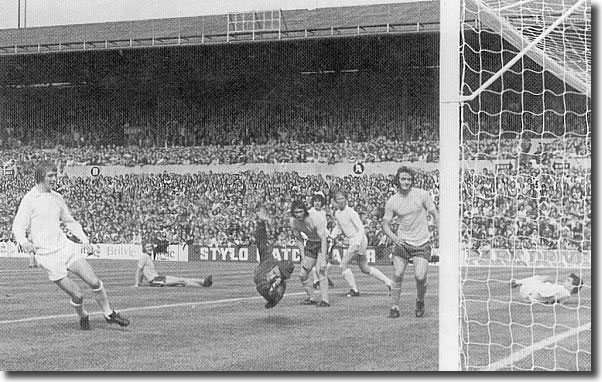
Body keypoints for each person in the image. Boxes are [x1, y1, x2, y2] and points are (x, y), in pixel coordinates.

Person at [12, 161, 130, 330]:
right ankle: (83, 315)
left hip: (65, 248)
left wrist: (85, 241)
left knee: (94, 281)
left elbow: (69, 221)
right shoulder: (29, 199)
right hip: (47, 256)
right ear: (40, 177)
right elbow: (18, 226)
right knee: (78, 295)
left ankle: (109, 313)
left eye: (55, 175)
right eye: (50, 176)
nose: (54, 179)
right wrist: (24, 242)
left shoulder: (57, 197)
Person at [382, 166, 439, 318]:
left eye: (409, 179)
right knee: (397, 273)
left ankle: (420, 301)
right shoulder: (392, 201)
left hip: (421, 243)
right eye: (403, 179)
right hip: (403, 243)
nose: (406, 182)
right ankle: (394, 307)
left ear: (412, 181)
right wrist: (394, 238)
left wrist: (439, 230)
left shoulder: (422, 194)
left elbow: (434, 212)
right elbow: (385, 224)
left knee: (420, 277)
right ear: (398, 180)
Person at [330, 191, 393, 297]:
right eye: (338, 199)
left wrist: (357, 243)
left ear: (346, 200)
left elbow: (361, 228)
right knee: (364, 268)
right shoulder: (337, 213)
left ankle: (354, 290)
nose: (340, 201)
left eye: (342, 198)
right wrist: (331, 237)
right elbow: (338, 227)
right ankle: (389, 282)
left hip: (358, 240)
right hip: (356, 241)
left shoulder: (351, 212)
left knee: (343, 265)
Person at [290, 200, 330, 307]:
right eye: (296, 212)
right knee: (303, 274)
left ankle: (325, 300)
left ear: (305, 211)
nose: (298, 215)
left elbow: (323, 239)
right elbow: (298, 239)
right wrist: (303, 258)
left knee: (320, 270)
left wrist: (323, 258)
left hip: (323, 242)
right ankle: (312, 298)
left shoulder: (315, 219)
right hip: (311, 243)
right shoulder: (294, 222)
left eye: (300, 211)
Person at [253, 206, 295, 309]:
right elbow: (261, 240)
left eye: (279, 275)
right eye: (276, 272)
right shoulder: (269, 259)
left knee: (271, 293)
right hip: (262, 270)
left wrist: (271, 299)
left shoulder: (280, 286)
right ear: (276, 266)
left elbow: (262, 289)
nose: (274, 275)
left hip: (263, 283)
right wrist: (260, 223)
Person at [133, 241, 213, 287]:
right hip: (155, 281)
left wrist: (140, 283)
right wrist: (137, 283)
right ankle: (203, 285)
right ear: (144, 249)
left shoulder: (147, 256)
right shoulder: (144, 257)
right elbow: (139, 270)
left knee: (181, 279)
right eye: (147, 247)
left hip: (158, 278)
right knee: (180, 282)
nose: (150, 248)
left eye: (150, 246)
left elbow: (142, 271)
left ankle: (204, 281)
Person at [308, 193, 335, 289]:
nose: (317, 203)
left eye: (319, 201)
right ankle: (319, 281)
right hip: (312, 241)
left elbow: (324, 227)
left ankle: (319, 280)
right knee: (313, 265)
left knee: (324, 263)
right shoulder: (310, 213)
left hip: (324, 240)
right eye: (315, 201)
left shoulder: (323, 213)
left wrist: (329, 235)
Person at [510, 273, 583, 304]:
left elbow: (542, 293)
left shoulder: (560, 289)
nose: (565, 281)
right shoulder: (566, 294)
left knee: (543, 277)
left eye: (568, 281)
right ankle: (517, 282)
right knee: (544, 279)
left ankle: (516, 282)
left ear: (572, 286)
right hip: (531, 294)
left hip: (529, 291)